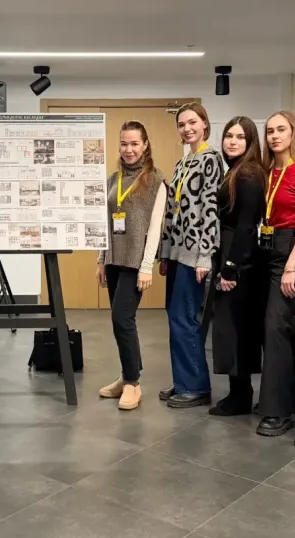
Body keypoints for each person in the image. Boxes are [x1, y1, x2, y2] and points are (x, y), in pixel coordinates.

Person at [254, 110, 295, 437]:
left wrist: (292, 265)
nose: (275, 136)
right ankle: (287, 398)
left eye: (281, 130)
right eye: (270, 131)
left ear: (293, 133)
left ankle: (277, 412)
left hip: (290, 251)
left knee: (275, 326)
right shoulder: (267, 172)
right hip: (265, 249)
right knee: (279, 328)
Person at [96, 121, 168, 411]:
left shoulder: (156, 180)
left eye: (135, 143)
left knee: (121, 319)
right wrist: (101, 260)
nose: (129, 149)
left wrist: (147, 266)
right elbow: (105, 223)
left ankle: (133, 384)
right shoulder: (113, 179)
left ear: (145, 145)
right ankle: (126, 375)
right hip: (114, 259)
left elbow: (155, 227)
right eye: (124, 143)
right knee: (121, 321)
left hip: (135, 262)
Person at [159, 102, 223, 408]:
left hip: (194, 253)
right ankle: (183, 379)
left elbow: (210, 210)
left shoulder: (211, 159)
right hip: (176, 252)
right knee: (174, 317)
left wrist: (205, 255)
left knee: (184, 318)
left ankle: (196, 386)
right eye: (182, 124)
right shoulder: (182, 162)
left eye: (193, 122)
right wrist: (164, 253)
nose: (187, 129)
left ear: (205, 124)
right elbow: (173, 211)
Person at [208, 117, 265, 416]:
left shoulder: (248, 173)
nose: (232, 141)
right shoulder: (235, 170)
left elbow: (246, 225)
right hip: (230, 250)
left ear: (250, 141)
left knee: (235, 327)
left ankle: (241, 395)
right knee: (230, 327)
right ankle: (238, 391)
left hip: (238, 256)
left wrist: (231, 267)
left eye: (240, 137)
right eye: (229, 135)